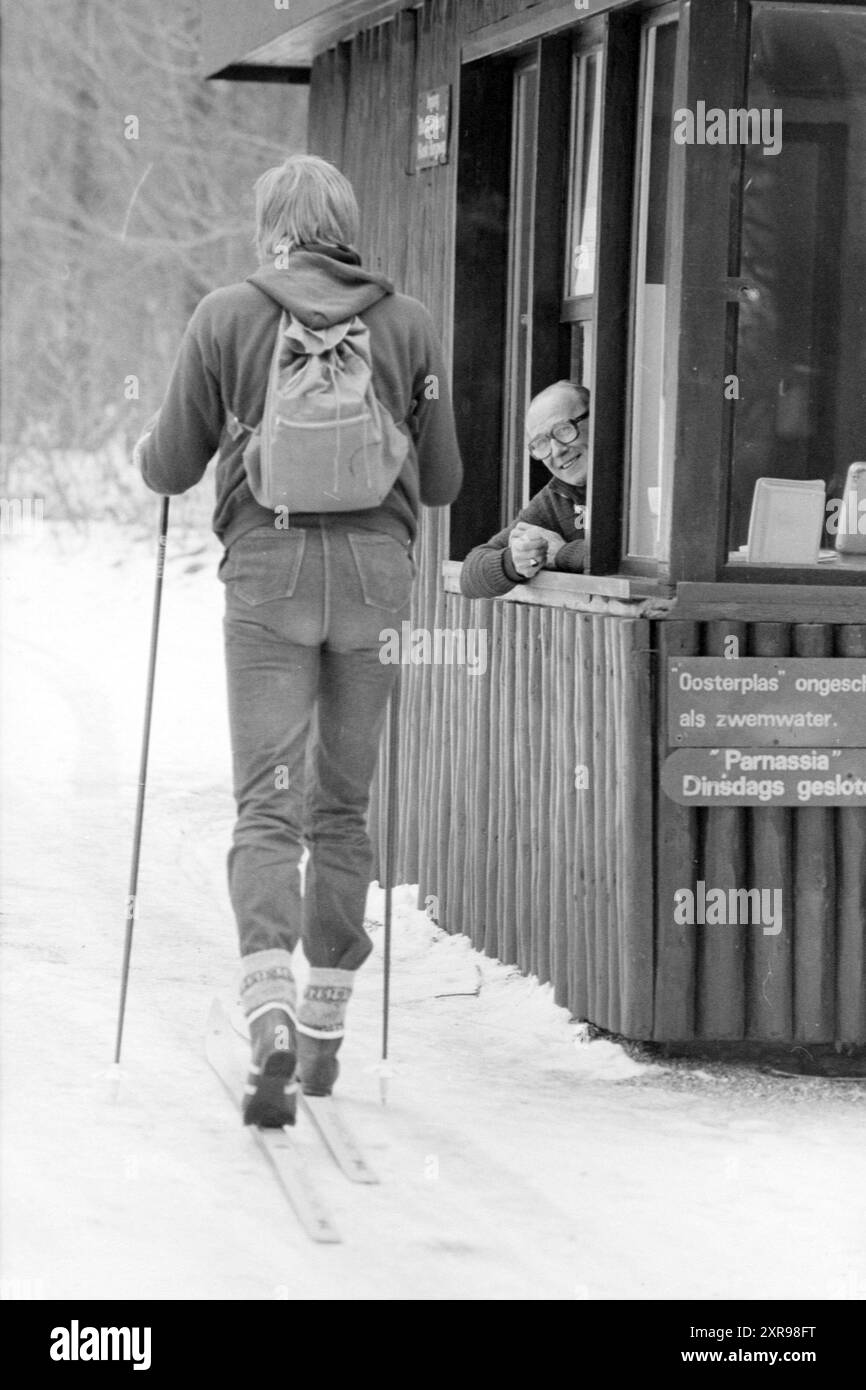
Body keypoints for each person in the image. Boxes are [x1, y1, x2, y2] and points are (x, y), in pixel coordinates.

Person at [136, 155, 462, 1125]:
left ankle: (268, 1004)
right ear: (345, 226)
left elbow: (169, 465)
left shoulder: (226, 315)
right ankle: (324, 1031)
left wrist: (158, 449)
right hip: (371, 582)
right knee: (341, 808)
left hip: (269, 578)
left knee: (267, 806)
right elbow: (441, 481)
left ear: (268, 227)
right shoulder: (405, 321)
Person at [460, 381, 589, 598]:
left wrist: (562, 554)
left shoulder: (639, 480)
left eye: (564, 430)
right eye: (541, 443)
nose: (557, 451)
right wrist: (516, 561)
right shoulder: (555, 497)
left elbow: (649, 563)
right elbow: (469, 579)